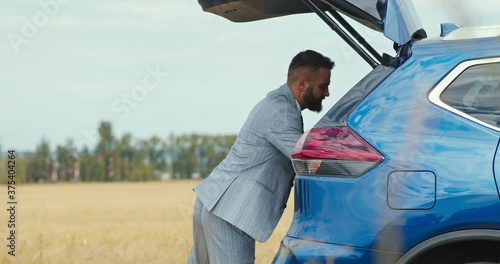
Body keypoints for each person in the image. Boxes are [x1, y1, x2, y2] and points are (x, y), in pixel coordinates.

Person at [187, 50, 334, 264]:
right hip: (230, 212)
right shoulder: (282, 111)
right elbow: (307, 162)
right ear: (302, 83)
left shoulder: (277, 101)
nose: (327, 93)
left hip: (213, 203)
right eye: (323, 86)